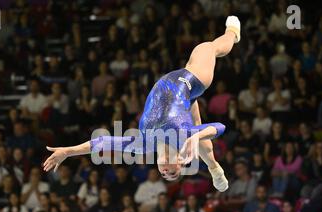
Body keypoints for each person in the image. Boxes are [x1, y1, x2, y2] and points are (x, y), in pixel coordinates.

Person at [43, 16, 244, 192]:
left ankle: (215, 168)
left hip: (176, 91)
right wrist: (194, 137)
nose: (166, 172)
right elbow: (220, 127)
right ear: (181, 164)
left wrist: (67, 151)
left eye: (164, 174)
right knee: (209, 47)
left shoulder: (143, 146)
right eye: (172, 173)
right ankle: (233, 34)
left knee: (201, 142)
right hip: (191, 82)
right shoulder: (183, 138)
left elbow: (102, 143)